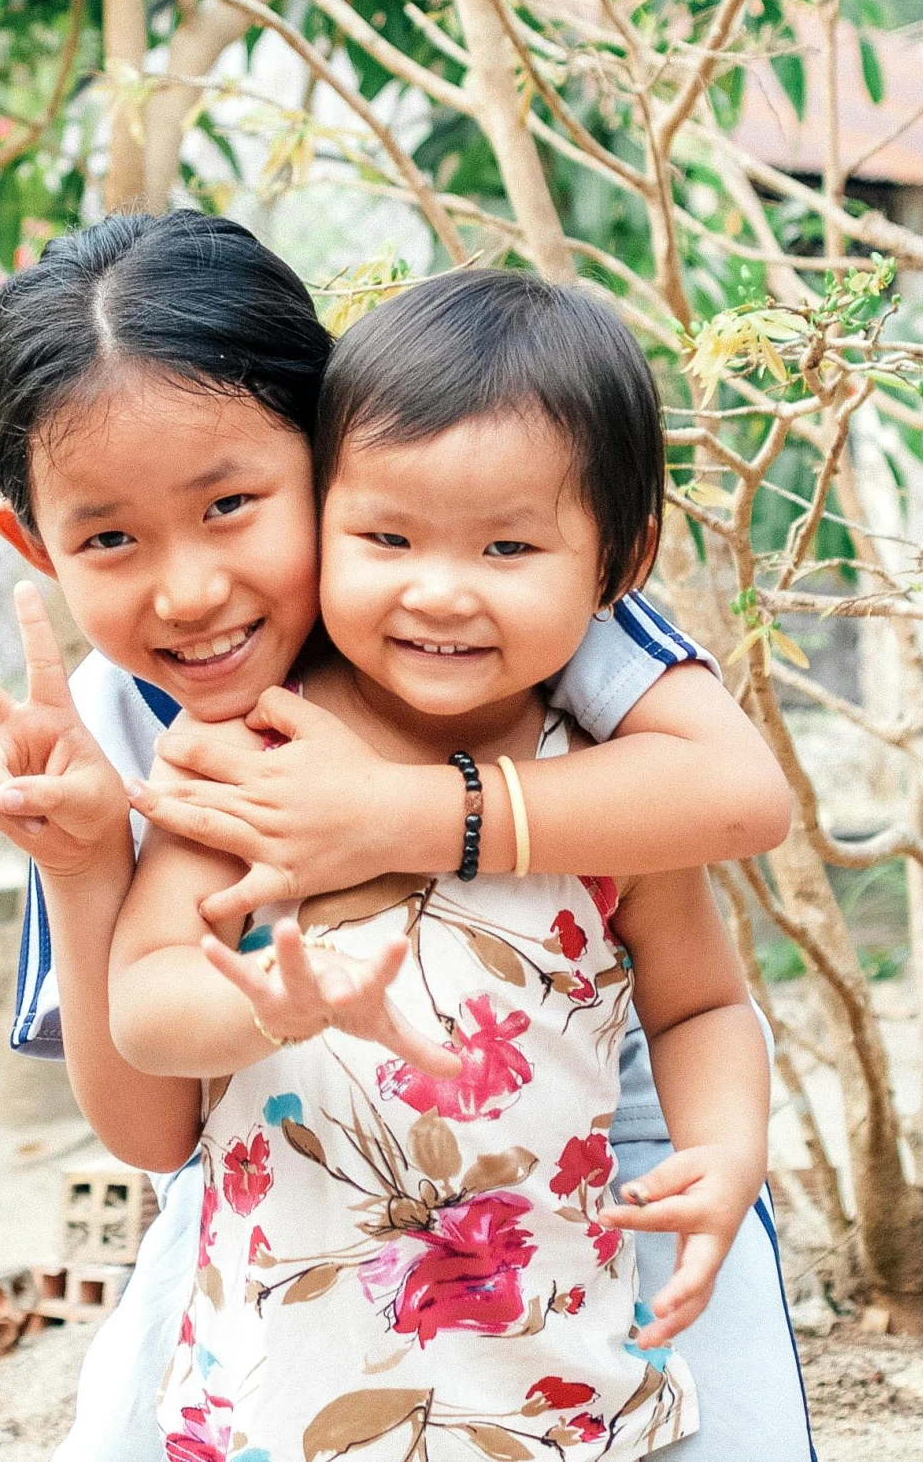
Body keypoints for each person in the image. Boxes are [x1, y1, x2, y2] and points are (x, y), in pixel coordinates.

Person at [0, 212, 814, 1461]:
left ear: (328, 460)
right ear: (38, 546)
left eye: (231, 503)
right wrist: (83, 862)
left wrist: (395, 816)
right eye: (107, 536)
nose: (189, 592)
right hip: (281, 1187)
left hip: (608, 1159)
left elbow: (738, 801)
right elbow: (155, 1123)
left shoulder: (518, 597)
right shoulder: (122, 732)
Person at [111, 266, 774, 1456]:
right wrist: (264, 1006)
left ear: (618, 558)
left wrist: (725, 1152)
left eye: (509, 545)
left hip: (553, 1384)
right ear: (321, 521)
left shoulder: (606, 797)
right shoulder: (243, 753)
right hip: (286, 1391)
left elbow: (703, 1005)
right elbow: (145, 1010)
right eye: (384, 535)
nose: (438, 589)